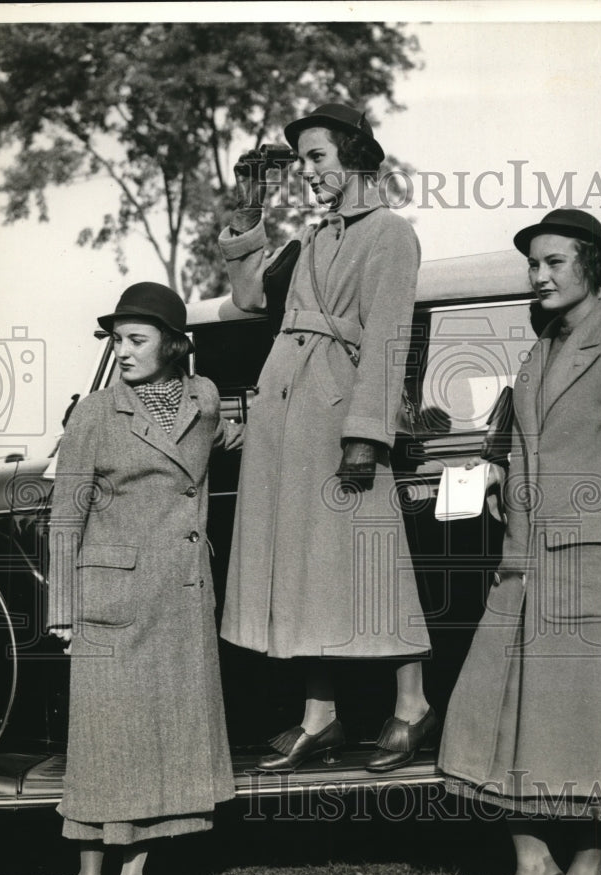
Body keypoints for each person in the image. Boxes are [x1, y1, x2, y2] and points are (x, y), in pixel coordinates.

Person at [439, 209, 601, 875]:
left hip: (591, 566)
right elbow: (517, 441)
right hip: (522, 566)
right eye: (532, 264)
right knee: (489, 715)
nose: (536, 277)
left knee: (597, 727)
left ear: (591, 267)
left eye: (552, 264)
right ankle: (531, 861)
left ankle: (588, 870)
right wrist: (494, 480)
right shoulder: (539, 350)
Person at [218, 103, 434, 773]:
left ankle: (412, 705)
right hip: (287, 424)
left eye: (317, 159)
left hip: (339, 419)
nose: (307, 173)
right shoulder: (315, 237)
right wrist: (249, 209)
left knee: (371, 568)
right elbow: (249, 301)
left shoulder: (390, 233)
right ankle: (321, 715)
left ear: (356, 157)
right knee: (304, 567)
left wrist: (365, 436)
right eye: (302, 161)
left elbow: (388, 342)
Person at [47, 282, 237, 875]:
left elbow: (243, 428)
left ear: (174, 346)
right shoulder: (96, 413)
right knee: (102, 744)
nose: (122, 351)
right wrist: (63, 610)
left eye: (136, 340)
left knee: (157, 744)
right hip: (112, 600)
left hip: (179, 598)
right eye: (116, 341)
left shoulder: (205, 399)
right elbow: (66, 514)